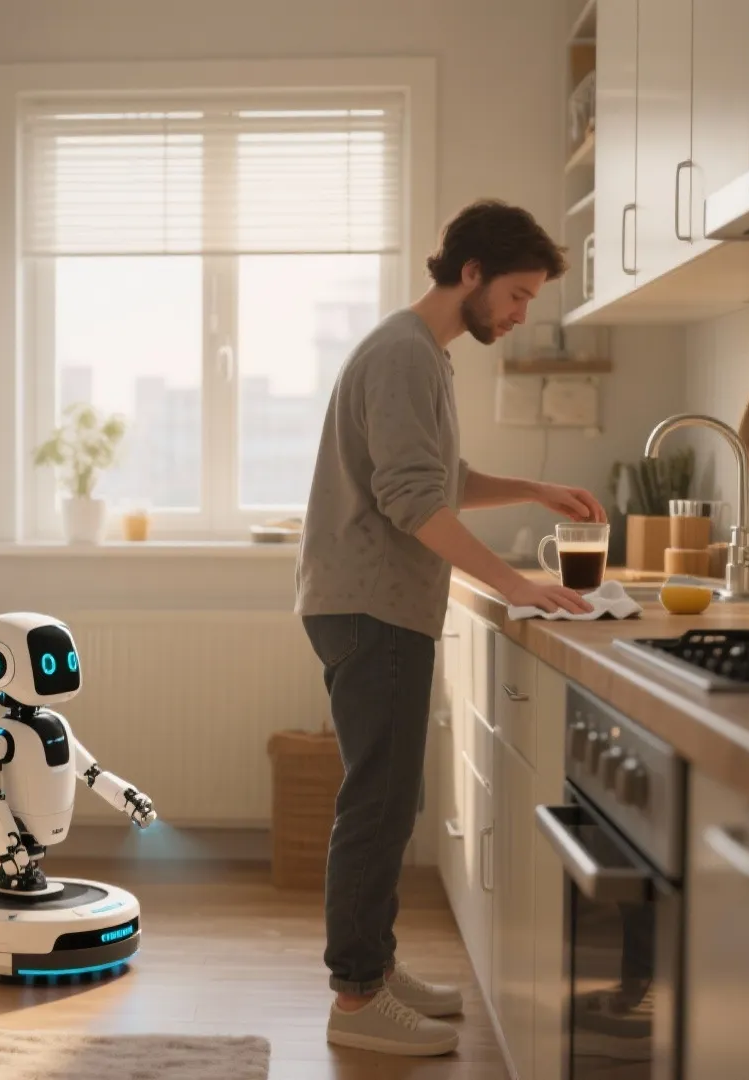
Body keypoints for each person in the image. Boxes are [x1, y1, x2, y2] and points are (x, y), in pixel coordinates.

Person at [295, 198, 606, 1057]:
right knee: (379, 805)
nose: (520, 314)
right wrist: (515, 584)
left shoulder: (419, 353)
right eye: (516, 294)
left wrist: (534, 490)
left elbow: (440, 478)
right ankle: (357, 1000)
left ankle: (376, 971)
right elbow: (411, 500)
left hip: (374, 604)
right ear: (471, 273)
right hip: (372, 606)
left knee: (391, 801)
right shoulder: (403, 354)